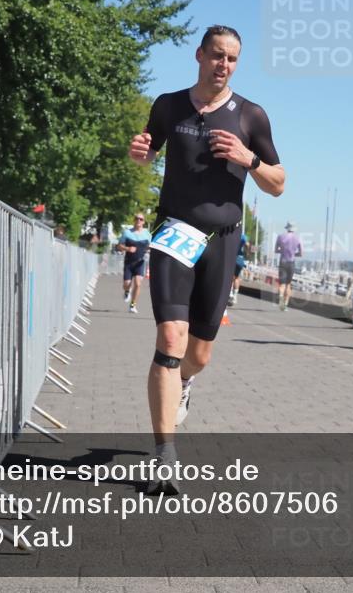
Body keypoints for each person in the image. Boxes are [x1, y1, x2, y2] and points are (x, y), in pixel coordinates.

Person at [128, 24, 284, 494]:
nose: (224, 65)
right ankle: (164, 455)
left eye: (232, 59)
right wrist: (139, 154)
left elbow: (279, 182)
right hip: (175, 232)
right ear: (199, 55)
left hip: (223, 240)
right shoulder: (168, 105)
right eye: (217, 55)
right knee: (170, 338)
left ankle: (184, 384)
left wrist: (249, 159)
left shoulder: (251, 116)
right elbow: (147, 149)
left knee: (199, 353)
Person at [119, 212, 151, 313]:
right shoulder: (127, 233)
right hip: (129, 262)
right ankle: (127, 291)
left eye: (141, 219)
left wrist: (148, 251)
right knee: (126, 284)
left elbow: (150, 246)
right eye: (137, 218)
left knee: (138, 284)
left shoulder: (147, 234)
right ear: (134, 220)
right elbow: (119, 246)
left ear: (143, 222)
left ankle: (132, 305)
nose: (138, 221)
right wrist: (127, 248)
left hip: (140, 263)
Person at [274, 222, 302, 310]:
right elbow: (301, 253)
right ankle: (285, 305)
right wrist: (294, 254)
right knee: (288, 284)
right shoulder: (298, 238)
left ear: (287, 228)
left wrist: (282, 251)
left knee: (282, 284)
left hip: (283, 261)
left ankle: (280, 298)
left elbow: (276, 250)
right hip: (291, 262)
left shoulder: (280, 237)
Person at [228, 231, 250, 306]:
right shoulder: (243, 236)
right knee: (236, 278)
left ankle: (230, 294)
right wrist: (247, 252)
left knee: (230, 277)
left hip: (232, 257)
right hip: (240, 259)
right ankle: (235, 296)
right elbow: (247, 244)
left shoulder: (231, 233)